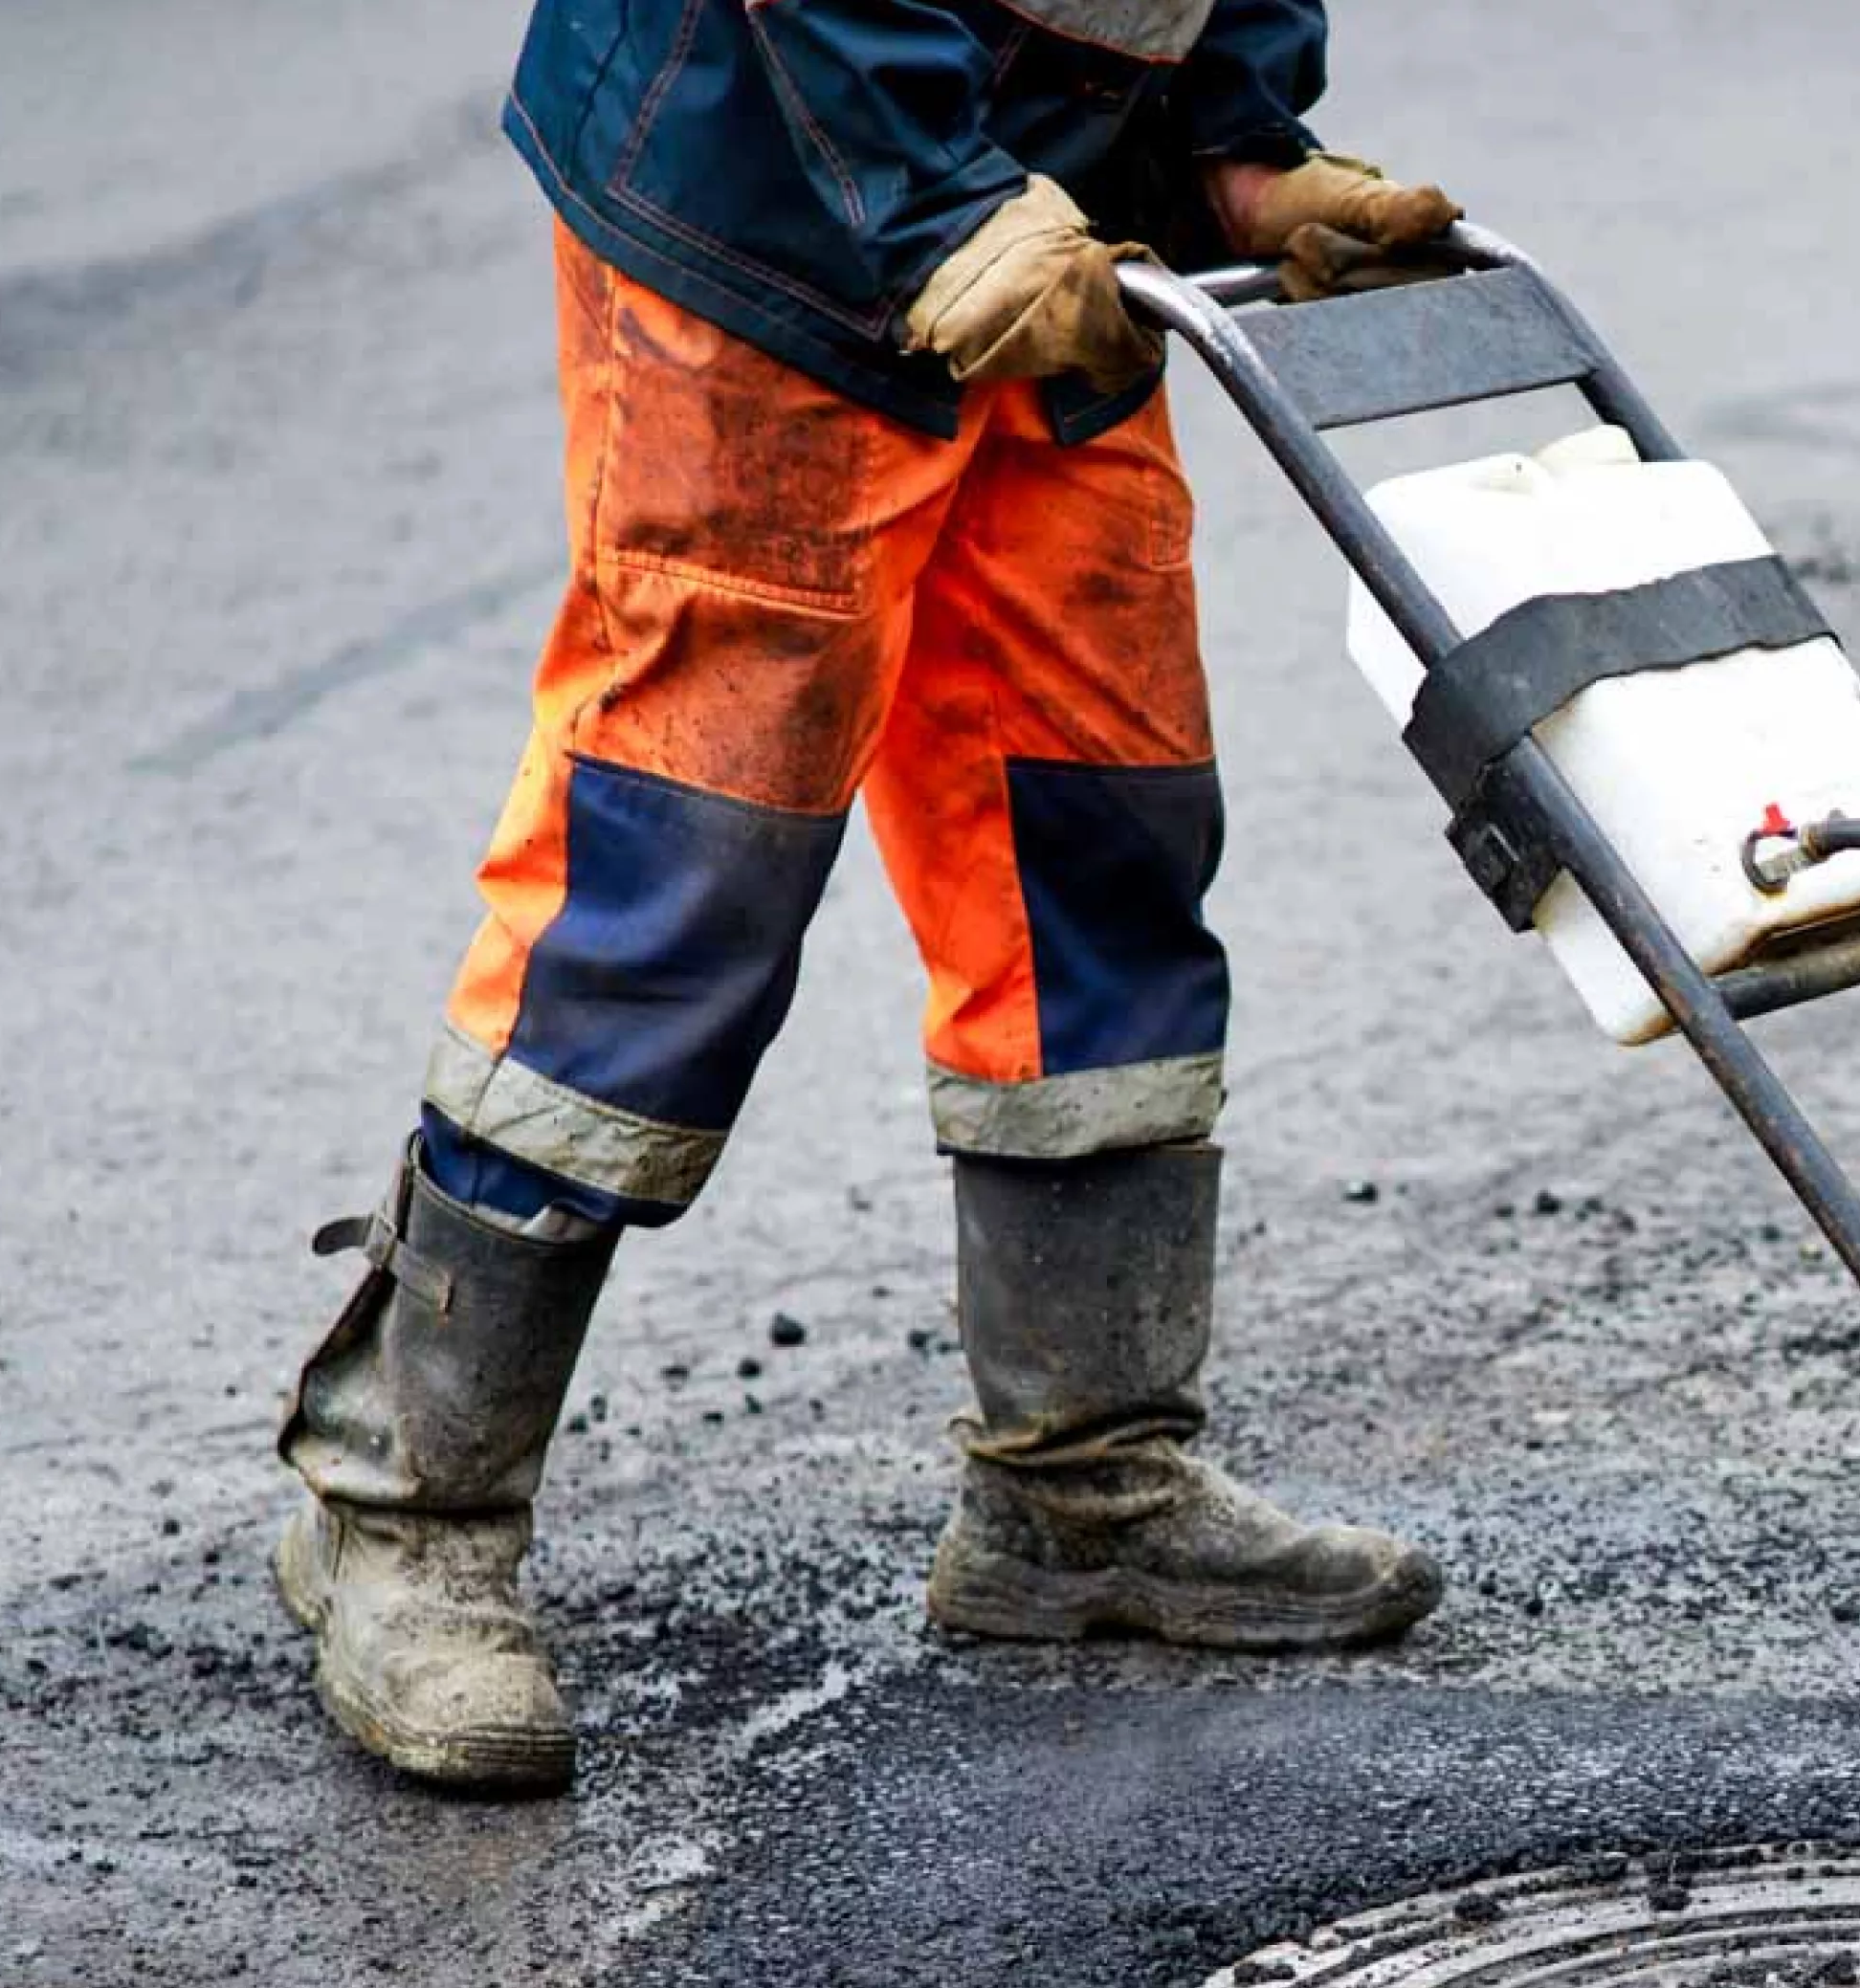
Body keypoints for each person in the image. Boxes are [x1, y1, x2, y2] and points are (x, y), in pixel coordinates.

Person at [274, 0, 1460, 1794]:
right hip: (766, 209)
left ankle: (1085, 1492)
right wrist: (929, 202)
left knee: (1096, 825)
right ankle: (402, 1508)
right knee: (685, 859)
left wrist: (1235, 145)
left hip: (1042, 222)